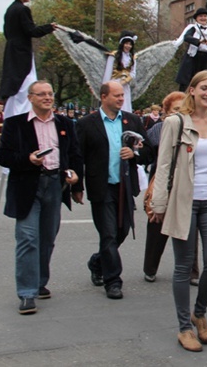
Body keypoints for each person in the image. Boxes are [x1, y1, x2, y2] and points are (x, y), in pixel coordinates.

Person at [150, 70, 207, 353]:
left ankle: (199, 313)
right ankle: (184, 328)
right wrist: (159, 204)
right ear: (192, 90)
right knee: (183, 267)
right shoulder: (175, 123)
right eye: (204, 88)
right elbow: (164, 165)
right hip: (184, 201)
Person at [0, 81, 82, 315]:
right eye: (41, 94)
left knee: (47, 237)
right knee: (27, 238)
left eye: (49, 94)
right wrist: (28, 159)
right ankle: (26, 292)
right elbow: (3, 157)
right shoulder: (15, 124)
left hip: (55, 184)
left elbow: (74, 154)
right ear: (31, 98)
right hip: (27, 186)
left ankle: (39, 281)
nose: (47, 97)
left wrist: (75, 177)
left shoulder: (65, 123)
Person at [72, 81, 153, 300]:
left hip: (125, 186)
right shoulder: (87, 123)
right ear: (104, 96)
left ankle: (98, 262)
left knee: (121, 231)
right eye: (116, 95)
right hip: (101, 186)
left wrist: (135, 154)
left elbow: (149, 151)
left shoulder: (132, 121)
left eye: (122, 96)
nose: (120, 99)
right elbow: (78, 156)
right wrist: (77, 187)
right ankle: (113, 281)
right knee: (107, 233)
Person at [143, 91, 200, 284]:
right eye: (176, 109)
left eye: (184, 108)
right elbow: (146, 155)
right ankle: (150, 267)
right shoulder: (158, 129)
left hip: (186, 184)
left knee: (189, 226)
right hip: (163, 184)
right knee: (157, 225)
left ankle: (192, 271)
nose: (181, 112)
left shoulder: (193, 128)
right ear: (166, 111)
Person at [0, 0, 57, 117]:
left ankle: (11, 114)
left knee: (15, 83)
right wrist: (49, 27)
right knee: (26, 84)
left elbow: (7, 32)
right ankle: (24, 114)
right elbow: (31, 30)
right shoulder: (23, 10)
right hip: (22, 53)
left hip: (11, 51)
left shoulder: (10, 10)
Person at [175, 8, 207, 91]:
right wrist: (198, 41)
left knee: (206, 80)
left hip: (206, 59)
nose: (203, 18)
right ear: (196, 18)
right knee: (188, 82)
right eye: (201, 16)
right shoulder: (193, 28)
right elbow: (186, 37)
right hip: (193, 58)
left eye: (205, 16)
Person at [103, 31, 137, 113]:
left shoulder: (132, 58)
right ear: (122, 44)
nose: (128, 46)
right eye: (126, 43)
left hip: (125, 85)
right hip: (114, 83)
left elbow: (133, 73)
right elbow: (108, 72)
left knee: (125, 105)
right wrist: (105, 88)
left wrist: (124, 81)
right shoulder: (113, 55)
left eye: (130, 44)